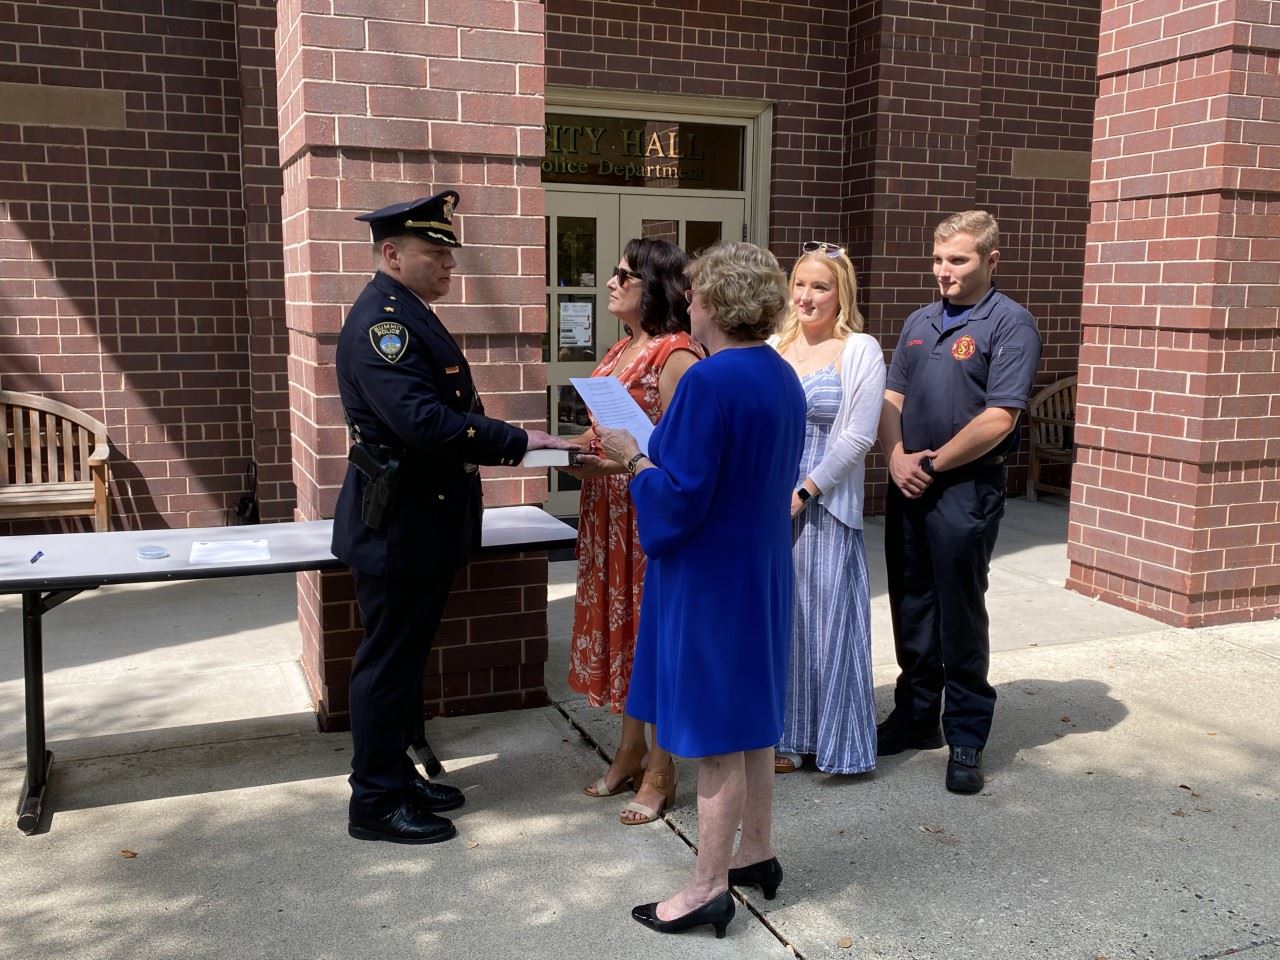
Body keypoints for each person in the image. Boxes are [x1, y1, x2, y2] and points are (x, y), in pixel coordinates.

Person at [331, 191, 574, 844]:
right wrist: (525, 442)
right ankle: (375, 801)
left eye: (449, 253)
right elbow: (424, 423)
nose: (449, 265)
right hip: (399, 526)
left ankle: (397, 775)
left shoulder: (408, 312)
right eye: (434, 253)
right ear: (392, 254)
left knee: (404, 664)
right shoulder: (384, 325)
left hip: (422, 523)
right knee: (386, 666)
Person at [595, 242, 804, 938]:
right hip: (761, 566)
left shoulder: (712, 382)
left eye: (696, 292)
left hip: (712, 576)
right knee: (749, 724)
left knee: (716, 735)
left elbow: (679, 498)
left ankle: (708, 887)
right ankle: (757, 850)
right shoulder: (780, 374)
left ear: (715, 301)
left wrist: (634, 460)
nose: (689, 301)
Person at [876, 210, 1041, 795]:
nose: (943, 271)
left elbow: (1001, 416)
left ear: (991, 260)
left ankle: (967, 730)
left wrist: (932, 462)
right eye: (939, 259)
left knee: (960, 611)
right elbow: (891, 397)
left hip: (965, 489)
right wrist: (896, 457)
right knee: (912, 603)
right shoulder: (920, 320)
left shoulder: (1010, 324)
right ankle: (917, 715)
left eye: (958, 260)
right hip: (909, 483)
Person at [562, 238, 702, 825]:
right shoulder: (622, 347)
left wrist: (618, 462)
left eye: (624, 275)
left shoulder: (677, 356)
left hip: (646, 517)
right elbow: (612, 429)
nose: (611, 282)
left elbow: (680, 451)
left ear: (656, 287)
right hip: (606, 515)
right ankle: (628, 749)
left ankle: (662, 770)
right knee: (626, 639)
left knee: (654, 640)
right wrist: (573, 451)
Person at [769, 241, 886, 776]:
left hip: (825, 505)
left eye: (821, 286)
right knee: (782, 621)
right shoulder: (773, 346)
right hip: (768, 502)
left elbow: (859, 437)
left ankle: (834, 741)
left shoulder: (860, 349)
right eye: (800, 284)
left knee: (827, 623)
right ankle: (786, 737)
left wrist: (804, 492)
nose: (807, 296)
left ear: (842, 295)